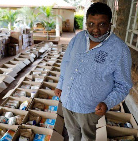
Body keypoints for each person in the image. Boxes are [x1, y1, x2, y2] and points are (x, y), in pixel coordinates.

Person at [54, 2, 133, 141]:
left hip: (89, 110)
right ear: (86, 23)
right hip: (67, 102)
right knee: (72, 136)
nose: (95, 30)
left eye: (101, 24)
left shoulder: (119, 49)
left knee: (87, 138)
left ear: (109, 24)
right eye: (91, 24)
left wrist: (108, 103)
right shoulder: (78, 38)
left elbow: (123, 85)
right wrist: (60, 84)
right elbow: (67, 63)